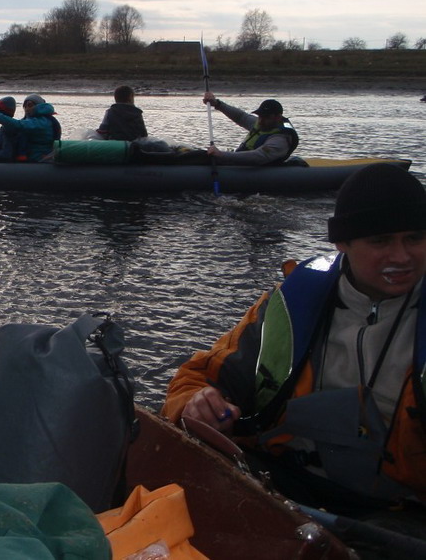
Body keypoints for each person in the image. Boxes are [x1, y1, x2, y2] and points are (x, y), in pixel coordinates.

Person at [162, 163, 426, 521]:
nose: (401, 256)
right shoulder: (292, 303)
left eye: (415, 237)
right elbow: (196, 378)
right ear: (342, 242)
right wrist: (194, 405)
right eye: (380, 240)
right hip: (281, 483)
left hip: (398, 513)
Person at [203, 92, 298, 165]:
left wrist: (222, 154)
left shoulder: (280, 139)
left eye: (266, 117)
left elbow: (259, 156)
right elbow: (241, 117)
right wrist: (217, 104)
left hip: (258, 170)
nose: (260, 120)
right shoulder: (263, 124)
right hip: (239, 165)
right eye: (260, 116)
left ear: (278, 117)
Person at [0, 93, 60, 163]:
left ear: (39, 106)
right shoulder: (30, 121)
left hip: (38, 158)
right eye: (25, 106)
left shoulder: (42, 122)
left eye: (30, 105)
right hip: (30, 158)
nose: (27, 109)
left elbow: (17, 125)